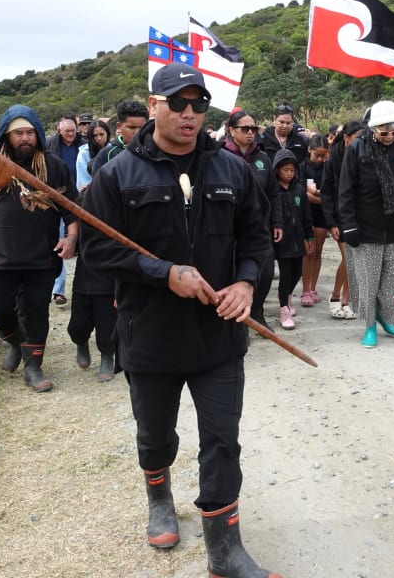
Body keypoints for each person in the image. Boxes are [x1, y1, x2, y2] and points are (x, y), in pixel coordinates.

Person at [79, 64, 278, 577]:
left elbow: (256, 237)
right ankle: (160, 498)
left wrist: (246, 283)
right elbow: (98, 253)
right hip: (151, 333)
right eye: (178, 103)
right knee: (156, 433)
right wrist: (162, 272)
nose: (190, 114)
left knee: (221, 438)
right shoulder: (117, 174)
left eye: (198, 104)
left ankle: (224, 550)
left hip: (218, 333)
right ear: (154, 105)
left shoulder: (232, 170)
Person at [0, 105, 79, 393]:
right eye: (18, 133)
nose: (25, 138)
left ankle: (33, 367)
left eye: (29, 132)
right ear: (6, 136)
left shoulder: (54, 166)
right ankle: (15, 341)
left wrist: (71, 238)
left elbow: (72, 209)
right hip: (1, 255)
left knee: (37, 311)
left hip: (42, 255)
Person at [339, 101, 394, 349]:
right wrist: (348, 225)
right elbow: (346, 190)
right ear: (372, 129)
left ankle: (385, 316)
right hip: (366, 227)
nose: (389, 137)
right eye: (383, 132)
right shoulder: (357, 148)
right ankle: (369, 326)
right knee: (368, 281)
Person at [221, 109, 283, 332]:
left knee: (265, 272)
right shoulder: (220, 158)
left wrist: (277, 222)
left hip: (260, 227)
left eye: (253, 129)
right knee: (234, 272)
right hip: (229, 227)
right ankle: (238, 320)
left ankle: (257, 313)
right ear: (231, 130)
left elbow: (274, 193)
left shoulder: (263, 158)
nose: (250, 133)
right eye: (244, 129)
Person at [68, 119, 118, 381]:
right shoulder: (82, 200)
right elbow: (71, 222)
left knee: (107, 320)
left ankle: (108, 356)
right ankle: (80, 342)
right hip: (86, 268)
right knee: (79, 322)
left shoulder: (119, 202)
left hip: (110, 270)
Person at [321, 121, 363, 320]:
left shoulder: (362, 157)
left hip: (359, 217)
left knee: (354, 260)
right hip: (339, 218)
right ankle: (336, 296)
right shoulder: (332, 161)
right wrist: (331, 223)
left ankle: (346, 300)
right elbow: (327, 194)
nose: (360, 142)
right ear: (346, 137)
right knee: (350, 258)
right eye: (357, 137)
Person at [44, 117, 85, 306]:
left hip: (78, 198)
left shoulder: (83, 145)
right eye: (67, 131)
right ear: (59, 130)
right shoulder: (49, 146)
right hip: (57, 197)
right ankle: (58, 290)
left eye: (73, 130)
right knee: (59, 240)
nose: (71, 134)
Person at [272, 148, 314, 330]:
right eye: (285, 170)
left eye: (292, 170)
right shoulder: (273, 191)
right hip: (282, 241)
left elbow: (306, 215)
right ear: (277, 170)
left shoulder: (298, 190)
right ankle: (283, 309)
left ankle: (288, 296)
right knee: (286, 273)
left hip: (298, 238)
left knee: (297, 272)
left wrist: (309, 236)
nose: (289, 173)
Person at [298, 134, 329, 308]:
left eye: (323, 155)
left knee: (318, 252)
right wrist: (320, 196)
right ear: (309, 149)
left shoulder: (328, 168)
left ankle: (313, 288)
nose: (320, 159)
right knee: (308, 252)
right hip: (306, 214)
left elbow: (329, 194)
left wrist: (316, 194)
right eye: (317, 155)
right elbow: (302, 195)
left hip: (322, 216)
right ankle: (305, 289)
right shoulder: (301, 168)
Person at [91, 99, 149, 173]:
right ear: (119, 126)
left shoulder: (154, 151)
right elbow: (98, 183)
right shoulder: (106, 155)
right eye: (132, 128)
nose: (137, 132)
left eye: (142, 128)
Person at [77, 120, 111, 190]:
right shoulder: (84, 153)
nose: (99, 138)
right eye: (95, 135)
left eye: (102, 134)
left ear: (107, 134)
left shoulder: (113, 150)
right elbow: (83, 181)